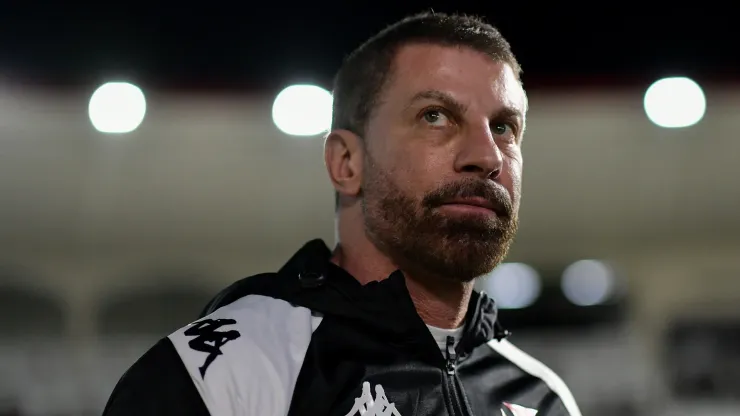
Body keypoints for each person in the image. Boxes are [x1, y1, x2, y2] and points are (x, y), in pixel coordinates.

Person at [102, 12, 582, 416]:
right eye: (435, 115)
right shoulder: (222, 377)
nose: (488, 155)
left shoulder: (545, 400)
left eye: (504, 126)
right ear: (346, 163)